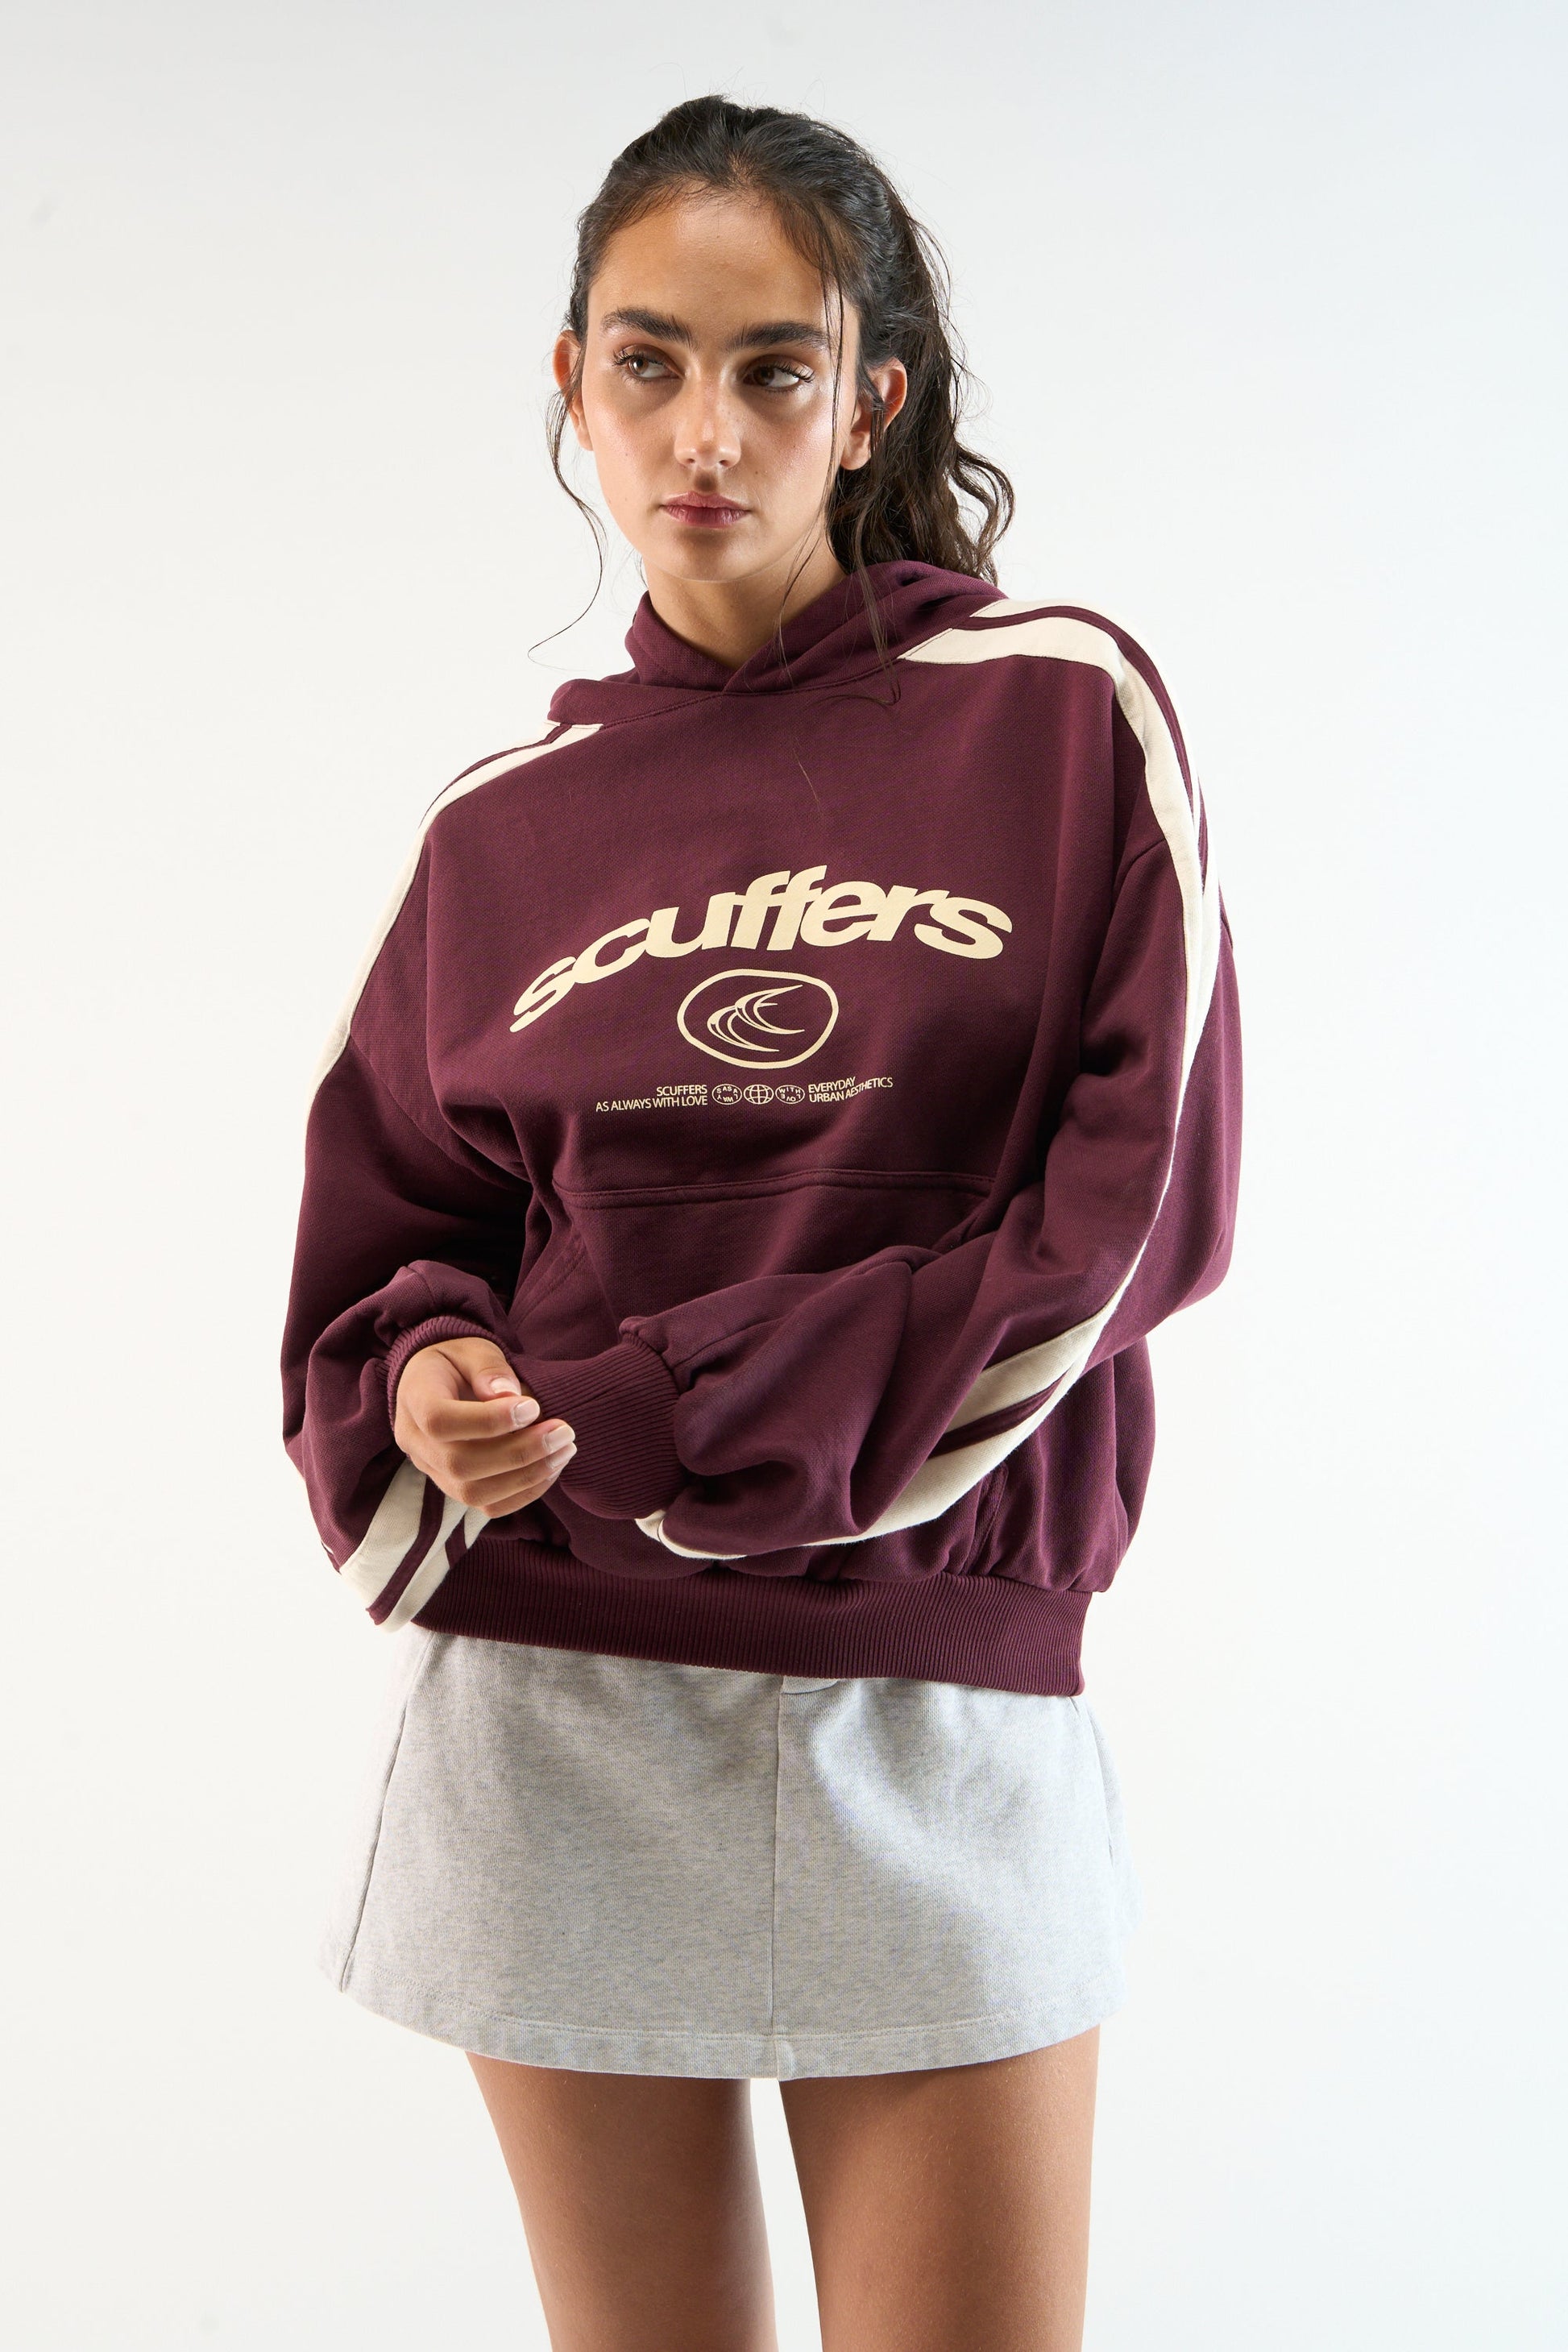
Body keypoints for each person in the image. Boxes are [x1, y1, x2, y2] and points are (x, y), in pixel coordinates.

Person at [282, 93, 1241, 2352]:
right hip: (556, 1710)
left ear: (868, 399)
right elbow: (397, 1228)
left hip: (929, 1692)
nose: (700, 431)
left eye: (770, 368)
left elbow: (1139, 1217)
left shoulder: (1059, 718)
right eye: (647, 362)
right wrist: (432, 1377)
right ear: (573, 381)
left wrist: (661, 1410)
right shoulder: (502, 828)